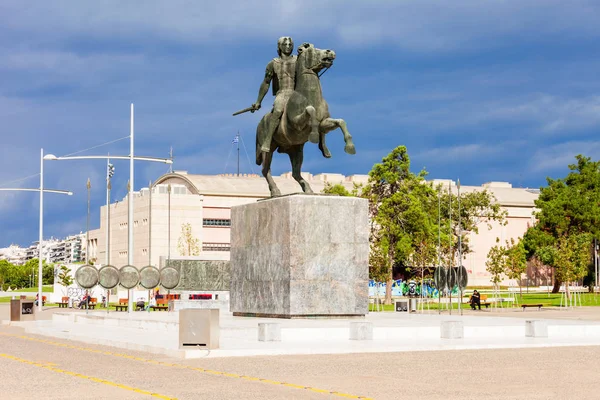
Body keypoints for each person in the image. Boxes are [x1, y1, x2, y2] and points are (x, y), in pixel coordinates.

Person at [252, 37, 317, 156]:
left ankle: (318, 137)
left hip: (296, 93)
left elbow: (313, 61)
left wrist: (309, 47)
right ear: (279, 46)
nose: (288, 46)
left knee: (314, 110)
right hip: (282, 93)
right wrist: (258, 102)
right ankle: (267, 140)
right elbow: (266, 83)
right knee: (277, 110)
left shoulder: (298, 60)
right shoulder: (272, 64)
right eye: (285, 44)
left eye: (290, 44)